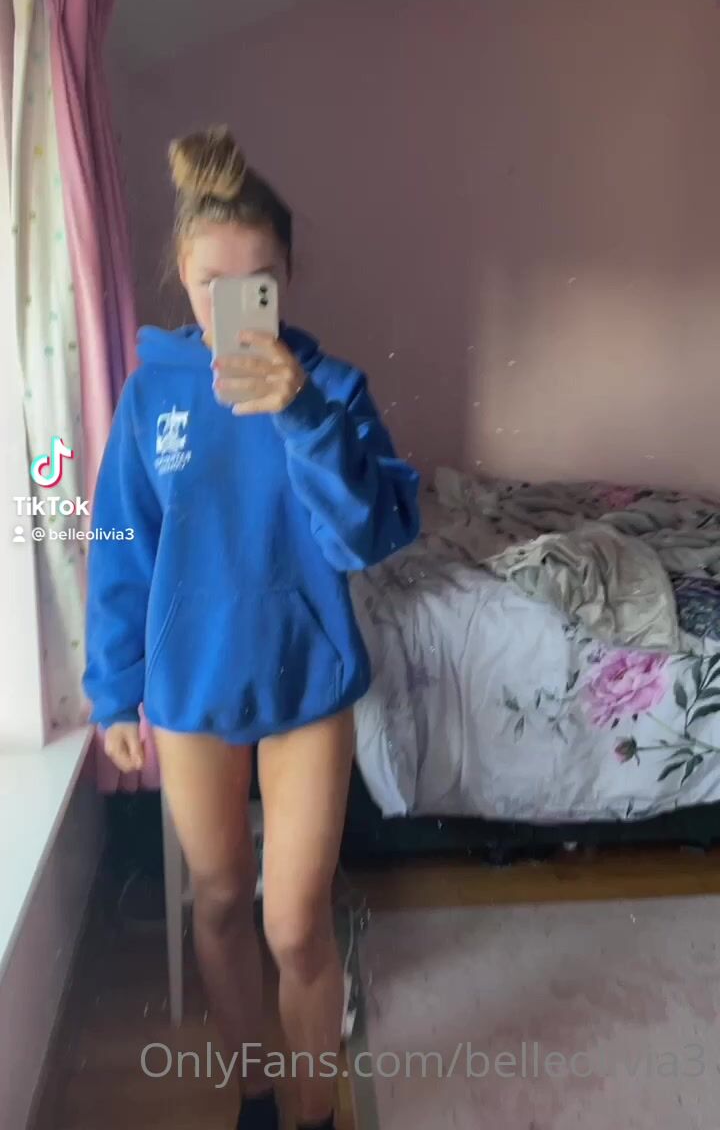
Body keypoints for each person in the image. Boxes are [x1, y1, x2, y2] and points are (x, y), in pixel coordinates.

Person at [82, 126, 420, 1130]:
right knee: (223, 901)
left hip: (308, 682)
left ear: (288, 278)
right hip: (190, 689)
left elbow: (370, 535)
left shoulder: (335, 388)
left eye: (258, 282)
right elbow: (119, 544)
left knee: (295, 922)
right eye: (212, 283)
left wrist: (302, 414)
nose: (236, 305)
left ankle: (316, 1113)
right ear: (183, 280)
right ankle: (256, 1096)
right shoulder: (150, 396)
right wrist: (113, 692)